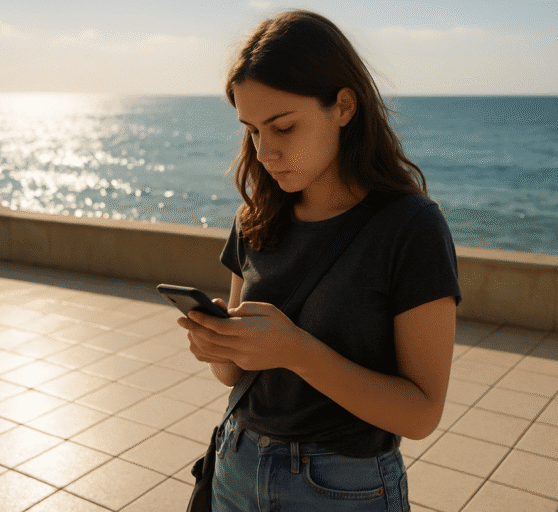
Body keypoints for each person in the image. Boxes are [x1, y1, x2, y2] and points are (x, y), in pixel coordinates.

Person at [177, 9, 461, 511]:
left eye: (283, 127)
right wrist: (220, 346)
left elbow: (420, 414)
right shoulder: (256, 217)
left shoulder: (411, 227)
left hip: (341, 489)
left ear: (344, 106)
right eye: (253, 131)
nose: (264, 152)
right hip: (236, 466)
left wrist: (297, 350)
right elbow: (237, 375)